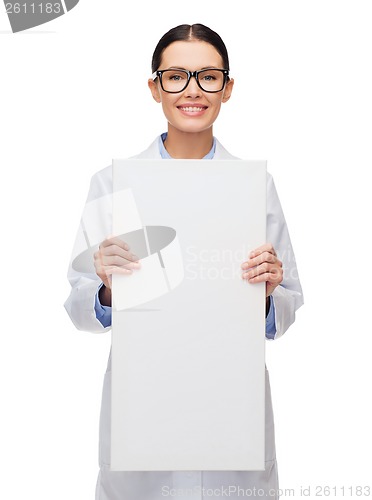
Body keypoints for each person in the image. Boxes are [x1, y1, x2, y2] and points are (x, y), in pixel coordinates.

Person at [64, 23, 303, 500]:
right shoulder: (112, 185)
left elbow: (286, 306)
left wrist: (269, 291)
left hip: (231, 413)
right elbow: (79, 308)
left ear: (228, 88)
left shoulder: (256, 186)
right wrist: (108, 287)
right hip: (144, 413)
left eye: (208, 76)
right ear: (154, 87)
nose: (192, 90)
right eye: (176, 76)